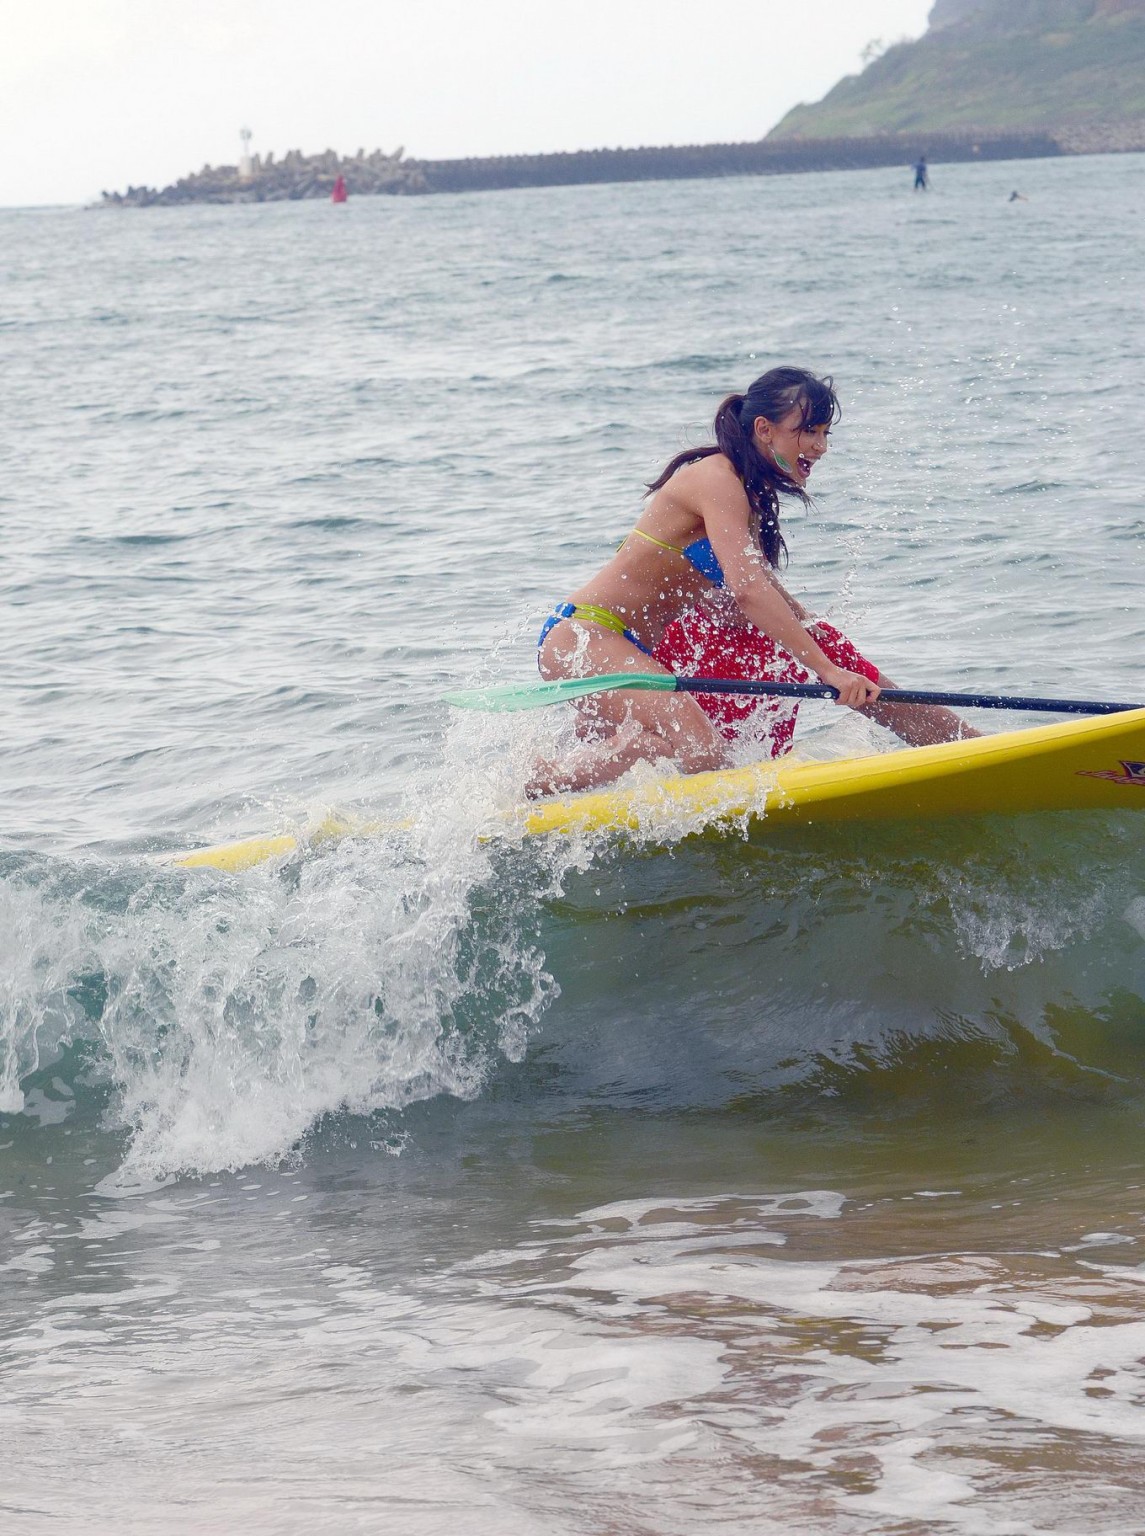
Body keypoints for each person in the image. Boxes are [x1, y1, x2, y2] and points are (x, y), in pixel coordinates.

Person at [530, 367, 975, 796]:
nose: (820, 447)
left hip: (637, 650)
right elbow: (748, 591)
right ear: (764, 429)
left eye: (825, 434)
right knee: (702, 751)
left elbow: (762, 590)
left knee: (670, 746)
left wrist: (827, 649)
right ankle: (532, 783)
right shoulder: (717, 478)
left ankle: (965, 746)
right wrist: (826, 670)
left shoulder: (746, 492)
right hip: (588, 635)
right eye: (808, 432)